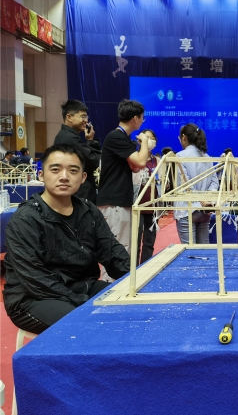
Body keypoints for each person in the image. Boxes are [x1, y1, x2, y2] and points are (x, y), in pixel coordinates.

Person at [2, 145, 130, 334]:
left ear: (83, 177)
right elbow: (35, 278)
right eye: (55, 169)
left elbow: (111, 252)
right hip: (32, 296)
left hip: (82, 286)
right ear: (41, 175)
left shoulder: (89, 211)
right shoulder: (26, 219)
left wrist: (136, 278)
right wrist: (84, 303)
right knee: (85, 324)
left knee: (128, 308)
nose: (64, 176)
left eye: (73, 171)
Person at [97, 99, 149, 280]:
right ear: (135, 118)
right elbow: (141, 162)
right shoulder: (116, 136)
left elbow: (135, 167)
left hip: (120, 200)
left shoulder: (122, 138)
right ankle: (108, 287)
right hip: (114, 202)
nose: (142, 121)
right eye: (142, 118)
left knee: (124, 247)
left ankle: (118, 285)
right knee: (116, 248)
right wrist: (144, 141)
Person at [174, 124, 219, 244]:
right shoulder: (207, 157)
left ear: (184, 137)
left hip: (187, 209)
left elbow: (185, 184)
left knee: (189, 251)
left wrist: (200, 200)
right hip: (205, 209)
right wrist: (206, 200)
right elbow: (214, 182)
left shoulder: (180, 156)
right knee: (204, 249)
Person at [54, 99, 101, 203]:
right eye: (82, 116)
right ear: (69, 117)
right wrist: (91, 142)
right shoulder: (69, 138)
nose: (86, 121)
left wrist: (89, 141)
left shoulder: (65, 135)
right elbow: (92, 161)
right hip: (79, 193)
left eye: (86, 117)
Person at [133, 129, 160, 264]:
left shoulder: (158, 161)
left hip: (153, 206)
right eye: (147, 137)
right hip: (137, 205)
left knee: (149, 242)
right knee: (135, 241)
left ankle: (146, 266)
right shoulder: (134, 158)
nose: (150, 140)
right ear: (140, 140)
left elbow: (164, 182)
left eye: (152, 138)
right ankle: (134, 269)